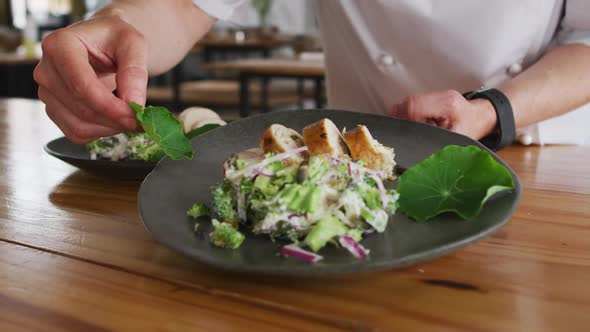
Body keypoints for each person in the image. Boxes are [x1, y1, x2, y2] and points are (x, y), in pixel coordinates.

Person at [33, 0, 590, 147]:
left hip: (538, 142)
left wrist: (491, 110)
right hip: (356, 154)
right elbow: (182, 5)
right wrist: (115, 23)